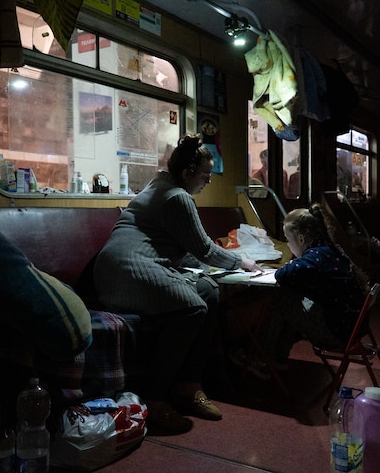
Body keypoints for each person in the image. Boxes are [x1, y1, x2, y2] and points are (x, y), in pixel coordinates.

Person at [94, 134, 263, 435]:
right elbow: (204, 250)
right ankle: (155, 397)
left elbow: (186, 250)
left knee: (208, 290)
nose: (207, 182)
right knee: (193, 308)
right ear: (187, 174)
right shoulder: (177, 197)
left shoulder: (161, 187)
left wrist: (214, 270)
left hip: (126, 268)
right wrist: (243, 264)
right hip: (126, 273)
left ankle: (190, 383)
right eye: (205, 176)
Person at [231, 203, 369, 380]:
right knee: (292, 295)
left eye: (288, 240)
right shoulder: (333, 250)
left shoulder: (314, 259)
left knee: (282, 298)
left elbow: (282, 274)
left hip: (337, 333)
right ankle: (278, 356)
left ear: (301, 239)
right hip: (354, 327)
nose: (288, 245)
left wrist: (291, 263)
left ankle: (262, 357)